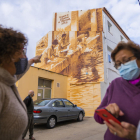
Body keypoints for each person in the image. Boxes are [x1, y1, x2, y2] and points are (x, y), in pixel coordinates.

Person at [0, 25, 42, 140]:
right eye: (21, 51)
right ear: (7, 54)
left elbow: (19, 74)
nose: (24, 56)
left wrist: (33, 60)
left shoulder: (7, 80)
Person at [94, 41, 140, 140]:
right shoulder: (115, 84)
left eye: (126, 60)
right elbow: (97, 116)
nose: (123, 66)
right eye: (118, 64)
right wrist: (107, 111)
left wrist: (136, 136)